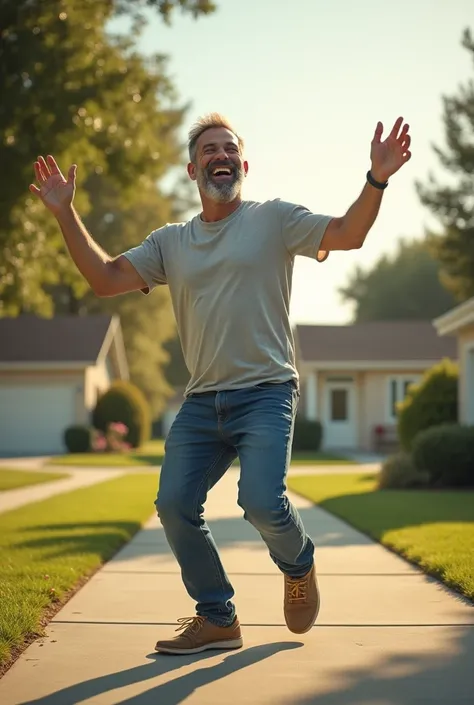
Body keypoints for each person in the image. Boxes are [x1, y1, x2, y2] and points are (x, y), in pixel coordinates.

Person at [30, 113, 411, 655]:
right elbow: (104, 278)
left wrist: (376, 180)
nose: (220, 155)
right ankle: (217, 617)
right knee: (173, 503)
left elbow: (349, 234)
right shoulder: (171, 242)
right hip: (202, 400)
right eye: (209, 149)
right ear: (193, 168)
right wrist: (65, 213)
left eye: (229, 148)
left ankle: (298, 563)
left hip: (267, 392)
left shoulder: (275, 220)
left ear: (244, 164)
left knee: (260, 499)